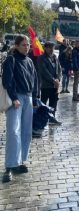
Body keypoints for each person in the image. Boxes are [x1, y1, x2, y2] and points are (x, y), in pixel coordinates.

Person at [2, 35, 38, 183]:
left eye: (28, 45)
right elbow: (7, 80)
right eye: (23, 45)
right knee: (13, 132)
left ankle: (20, 161)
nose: (27, 47)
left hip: (28, 98)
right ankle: (9, 166)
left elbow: (35, 80)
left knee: (26, 132)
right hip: (16, 99)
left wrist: (35, 98)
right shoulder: (11, 59)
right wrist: (14, 97)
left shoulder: (29, 61)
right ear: (16, 46)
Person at [37, 41, 62, 125]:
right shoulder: (41, 58)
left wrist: (58, 80)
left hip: (55, 86)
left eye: (53, 47)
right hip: (46, 85)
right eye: (49, 47)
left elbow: (59, 69)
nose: (51, 49)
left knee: (54, 103)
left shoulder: (55, 57)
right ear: (45, 48)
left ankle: (52, 118)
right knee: (43, 104)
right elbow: (44, 71)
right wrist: (53, 80)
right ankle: (40, 120)